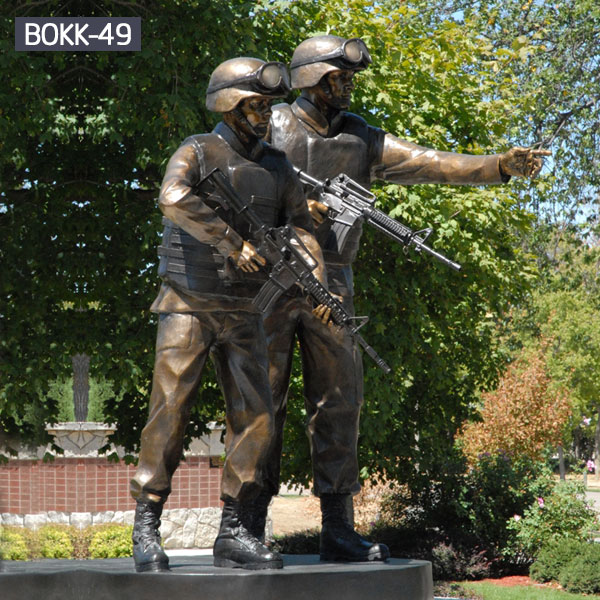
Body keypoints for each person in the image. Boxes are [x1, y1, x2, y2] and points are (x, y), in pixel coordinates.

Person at [260, 34, 550, 562]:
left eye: (348, 78)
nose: (347, 86)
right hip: (272, 279)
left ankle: (338, 529)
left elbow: (429, 162)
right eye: (338, 77)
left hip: (335, 284)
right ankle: (248, 523)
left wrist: (498, 166)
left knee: (341, 402)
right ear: (310, 78)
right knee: (261, 400)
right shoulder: (270, 124)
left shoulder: (359, 137)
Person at [129, 56, 326, 572]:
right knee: (169, 410)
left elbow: (302, 229)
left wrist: (319, 290)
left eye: (267, 106)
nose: (264, 115)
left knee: (257, 417)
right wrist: (231, 240)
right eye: (255, 105)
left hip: (245, 309)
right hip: (187, 303)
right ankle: (147, 526)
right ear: (229, 105)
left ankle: (234, 530)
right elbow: (172, 198)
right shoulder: (197, 149)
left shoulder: (279, 167)